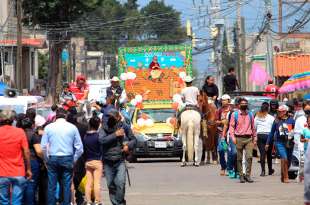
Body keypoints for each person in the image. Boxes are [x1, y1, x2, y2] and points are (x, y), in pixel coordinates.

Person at [41, 108, 84, 205]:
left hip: (53, 157)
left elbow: (43, 146)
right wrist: (74, 159)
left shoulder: (48, 127)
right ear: (65, 116)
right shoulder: (72, 127)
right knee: (66, 185)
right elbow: (80, 148)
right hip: (67, 157)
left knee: (51, 185)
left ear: (56, 116)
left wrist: (47, 158)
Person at [98, 109, 136, 205]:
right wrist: (115, 134)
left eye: (113, 117)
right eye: (109, 117)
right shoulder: (103, 128)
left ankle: (119, 202)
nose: (111, 119)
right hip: (107, 161)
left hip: (120, 160)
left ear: (118, 118)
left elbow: (134, 139)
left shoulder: (124, 126)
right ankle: (117, 203)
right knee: (111, 185)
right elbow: (101, 140)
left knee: (121, 184)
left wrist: (128, 146)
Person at [0, 110, 32, 205]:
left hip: (2, 172)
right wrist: (29, 169)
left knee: (3, 201)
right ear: (13, 119)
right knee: (17, 201)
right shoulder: (20, 132)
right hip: (18, 171)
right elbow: (26, 151)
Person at [229, 98, 257, 183]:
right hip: (239, 138)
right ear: (239, 105)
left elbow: (253, 127)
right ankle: (241, 175)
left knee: (249, 157)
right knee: (239, 158)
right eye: (242, 103)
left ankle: (248, 175)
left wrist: (255, 138)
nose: (244, 104)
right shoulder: (235, 114)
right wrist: (233, 137)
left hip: (248, 138)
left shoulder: (251, 114)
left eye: (245, 103)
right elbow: (231, 126)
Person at [266, 105, 295, 183]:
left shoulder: (291, 120)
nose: (278, 112)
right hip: (279, 142)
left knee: (288, 160)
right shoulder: (276, 121)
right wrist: (268, 143)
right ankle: (286, 176)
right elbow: (272, 133)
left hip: (290, 143)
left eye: (280, 111)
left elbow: (296, 131)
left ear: (285, 112)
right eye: (278, 111)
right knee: (284, 158)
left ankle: (283, 174)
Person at [21, 117, 43, 205]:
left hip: (21, 161)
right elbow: (38, 151)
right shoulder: (33, 135)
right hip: (32, 161)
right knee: (31, 184)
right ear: (32, 125)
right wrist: (44, 159)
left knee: (22, 184)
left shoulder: (20, 134)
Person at [83, 116, 103, 205]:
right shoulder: (98, 136)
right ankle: (97, 201)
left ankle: (88, 201)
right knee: (97, 183)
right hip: (97, 161)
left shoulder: (85, 136)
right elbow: (101, 149)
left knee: (88, 182)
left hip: (88, 161)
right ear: (98, 125)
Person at [254, 102, 275, 176]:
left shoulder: (257, 117)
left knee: (262, 154)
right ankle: (270, 170)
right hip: (269, 136)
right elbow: (273, 129)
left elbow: (254, 127)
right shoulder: (271, 117)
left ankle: (263, 171)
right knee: (269, 154)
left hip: (260, 135)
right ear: (268, 108)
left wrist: (255, 137)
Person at [216, 94, 232, 176]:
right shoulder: (219, 110)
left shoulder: (232, 110)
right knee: (221, 150)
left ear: (229, 101)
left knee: (230, 152)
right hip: (221, 133)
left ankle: (230, 168)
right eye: (222, 100)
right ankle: (223, 167)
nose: (223, 102)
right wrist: (221, 122)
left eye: (225, 100)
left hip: (230, 133)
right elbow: (216, 121)